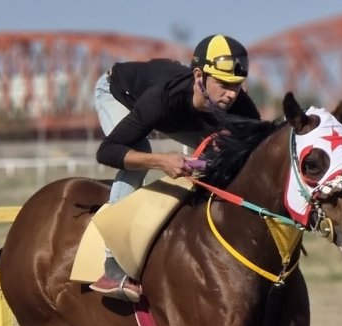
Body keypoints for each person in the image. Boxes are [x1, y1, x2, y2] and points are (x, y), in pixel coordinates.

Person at [90, 34, 261, 301]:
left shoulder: (241, 106)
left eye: (237, 85)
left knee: (229, 153)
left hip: (175, 114)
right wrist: (162, 161)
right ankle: (113, 264)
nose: (231, 94)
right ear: (199, 76)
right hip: (120, 93)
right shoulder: (162, 97)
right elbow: (107, 152)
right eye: (223, 83)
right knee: (141, 151)